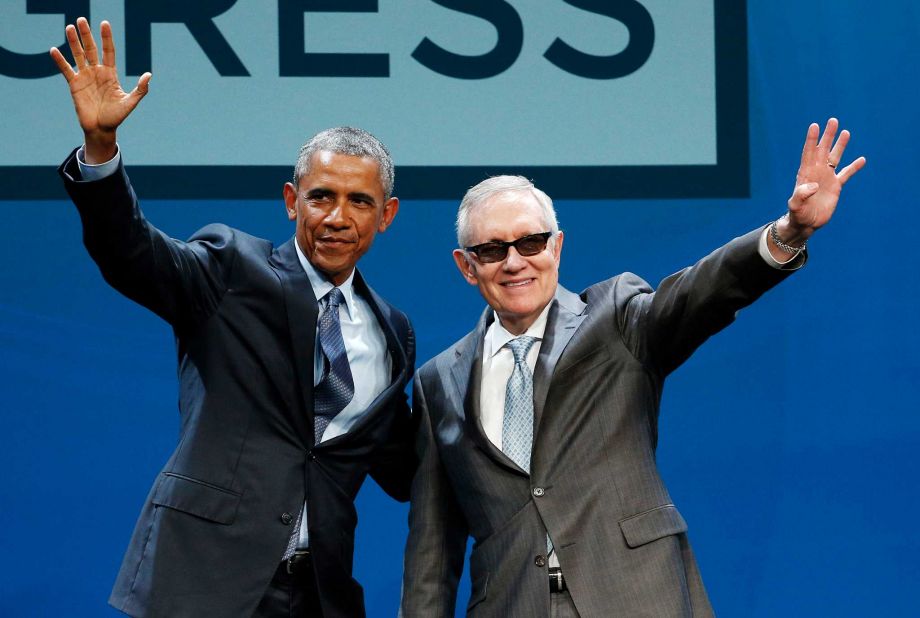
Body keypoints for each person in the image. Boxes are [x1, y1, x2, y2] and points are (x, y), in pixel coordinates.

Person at [399, 120, 865, 616]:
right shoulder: (438, 382)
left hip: (636, 595)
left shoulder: (616, 317)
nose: (514, 262)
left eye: (531, 243)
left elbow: (700, 291)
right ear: (466, 265)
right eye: (492, 250)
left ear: (556, 247)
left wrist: (788, 232)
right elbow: (432, 552)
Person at [50, 18, 415, 617]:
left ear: (387, 215)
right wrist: (101, 151)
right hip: (201, 583)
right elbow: (133, 256)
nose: (337, 216)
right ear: (292, 200)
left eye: (360, 201)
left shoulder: (391, 331)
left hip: (320, 595)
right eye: (321, 196)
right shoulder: (232, 268)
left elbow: (405, 468)